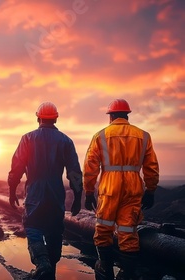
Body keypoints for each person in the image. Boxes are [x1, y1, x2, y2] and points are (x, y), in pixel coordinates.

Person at [83, 99, 159, 280]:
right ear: (127, 115)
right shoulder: (143, 136)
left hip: (110, 188)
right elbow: (151, 166)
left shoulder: (101, 136)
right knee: (128, 230)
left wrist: (88, 191)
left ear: (111, 116)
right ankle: (127, 273)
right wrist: (150, 190)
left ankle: (105, 266)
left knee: (103, 227)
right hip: (133, 188)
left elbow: (90, 167)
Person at [8, 102, 83, 280]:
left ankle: (42, 264)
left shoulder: (27, 139)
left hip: (35, 193)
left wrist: (12, 191)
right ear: (56, 118)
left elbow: (16, 168)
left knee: (33, 227)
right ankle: (49, 271)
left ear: (38, 118)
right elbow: (74, 172)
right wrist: (78, 196)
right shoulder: (65, 141)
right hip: (56, 194)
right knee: (54, 231)